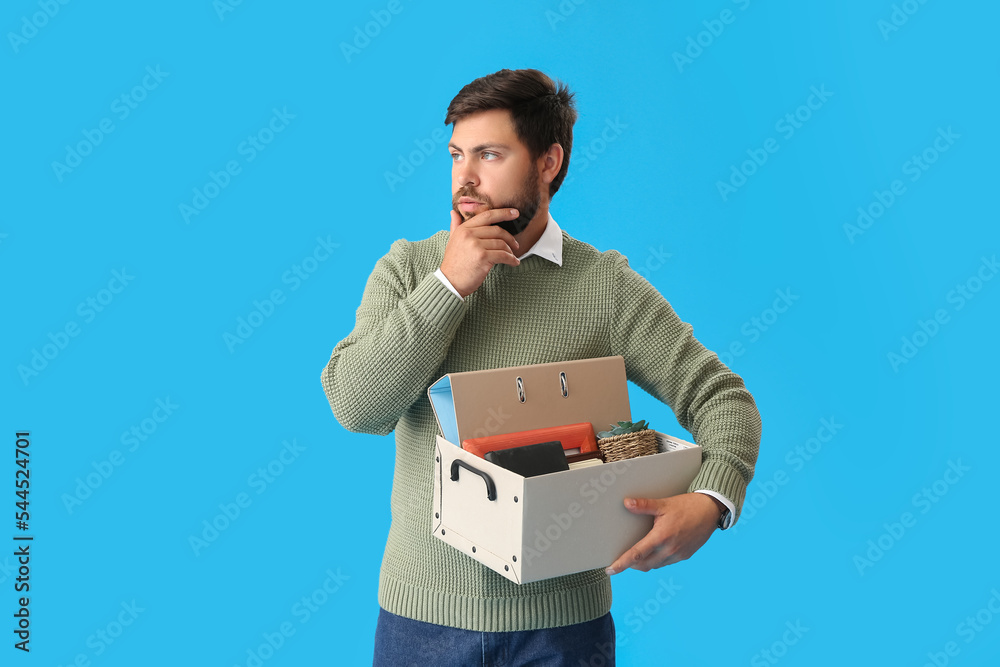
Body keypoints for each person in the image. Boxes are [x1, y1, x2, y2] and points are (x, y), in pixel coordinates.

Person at [321, 68, 761, 666]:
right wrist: (449, 286)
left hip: (564, 632)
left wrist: (711, 500)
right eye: (456, 155)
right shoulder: (409, 271)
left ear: (548, 162)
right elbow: (357, 407)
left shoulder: (603, 286)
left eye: (490, 154)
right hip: (421, 623)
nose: (465, 179)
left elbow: (721, 397)